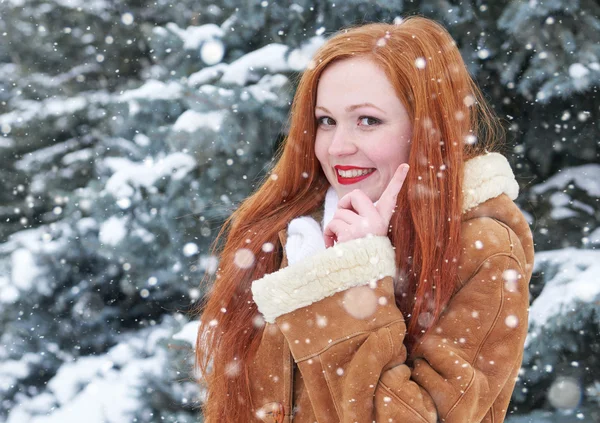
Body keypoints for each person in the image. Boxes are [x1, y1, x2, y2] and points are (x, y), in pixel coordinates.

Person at [195, 15, 534, 423]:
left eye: (368, 121)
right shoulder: (294, 234)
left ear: (427, 129)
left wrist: (352, 280)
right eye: (326, 121)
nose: (338, 146)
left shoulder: (483, 249)